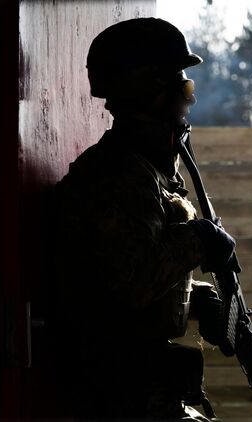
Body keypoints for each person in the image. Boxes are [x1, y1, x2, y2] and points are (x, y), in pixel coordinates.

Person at [51, 17, 237, 420]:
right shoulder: (115, 175)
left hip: (144, 391)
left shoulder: (146, 169)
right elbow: (126, 288)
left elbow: (137, 266)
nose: (189, 100)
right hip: (114, 397)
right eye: (184, 88)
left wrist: (199, 300)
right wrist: (199, 238)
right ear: (149, 92)